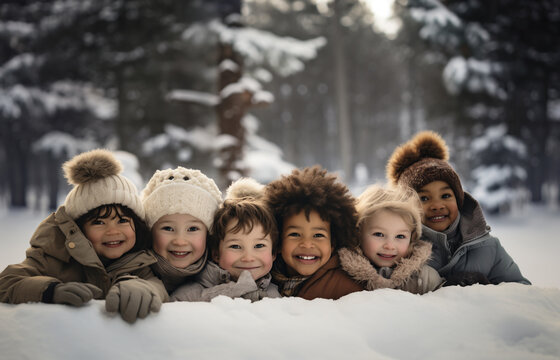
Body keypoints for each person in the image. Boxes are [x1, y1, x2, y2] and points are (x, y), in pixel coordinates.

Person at [0, 149, 168, 323]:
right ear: (79, 229)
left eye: (122, 220)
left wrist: (143, 287)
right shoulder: (55, 255)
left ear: (137, 225)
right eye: (98, 222)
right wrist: (50, 290)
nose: (113, 231)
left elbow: (159, 284)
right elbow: (7, 281)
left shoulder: (140, 258)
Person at [386, 130, 530, 285]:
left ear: (459, 199)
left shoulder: (488, 248)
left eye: (446, 196)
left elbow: (522, 292)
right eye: (424, 198)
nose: (437, 205)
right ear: (407, 208)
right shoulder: (396, 250)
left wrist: (486, 292)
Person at [171, 178, 281, 302]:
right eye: (235, 246)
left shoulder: (276, 294)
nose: (248, 258)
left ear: (273, 253)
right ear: (216, 253)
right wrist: (239, 289)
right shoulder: (191, 294)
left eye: (259, 246)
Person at [264, 166, 365, 299]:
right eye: (294, 234)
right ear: (278, 240)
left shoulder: (348, 289)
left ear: (333, 243)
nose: (307, 244)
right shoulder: (264, 276)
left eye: (318, 235)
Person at [339, 184, 443, 294]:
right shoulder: (342, 276)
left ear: (412, 238)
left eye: (400, 236)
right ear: (358, 233)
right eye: (379, 234)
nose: (389, 245)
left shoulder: (425, 279)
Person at [141, 166, 222, 294]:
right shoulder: (134, 270)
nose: (180, 241)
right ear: (150, 231)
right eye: (168, 228)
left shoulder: (223, 275)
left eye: (192, 228)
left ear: (208, 234)